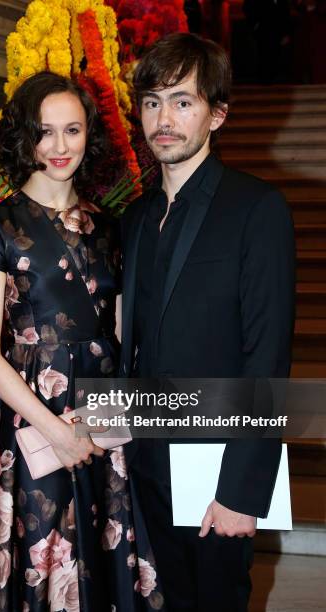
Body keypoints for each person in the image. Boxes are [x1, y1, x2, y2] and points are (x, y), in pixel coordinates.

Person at [0, 71, 164, 612]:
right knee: (38, 560)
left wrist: (107, 421)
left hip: (103, 420)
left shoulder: (111, 226)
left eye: (72, 130)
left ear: (87, 135)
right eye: (44, 132)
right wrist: (56, 431)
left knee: (103, 553)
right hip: (32, 422)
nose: (59, 146)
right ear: (24, 137)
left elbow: (121, 339)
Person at [120, 33, 295, 611]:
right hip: (146, 463)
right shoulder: (137, 217)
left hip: (218, 470)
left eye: (182, 101)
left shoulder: (257, 209)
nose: (162, 119)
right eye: (151, 101)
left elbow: (267, 358)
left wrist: (243, 491)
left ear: (217, 115)